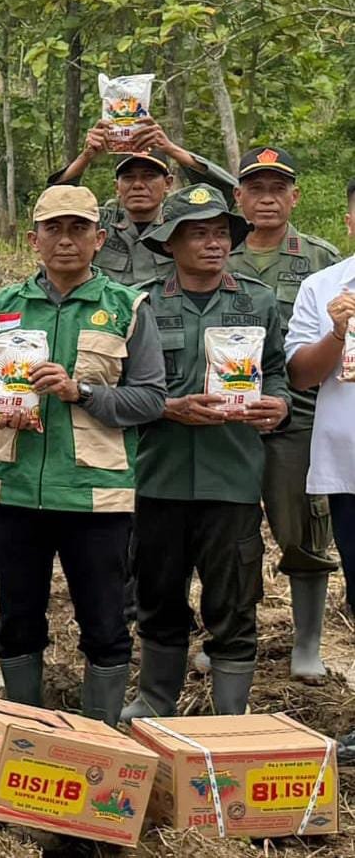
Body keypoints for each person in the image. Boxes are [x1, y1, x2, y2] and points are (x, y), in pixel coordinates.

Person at [0, 186, 166, 725]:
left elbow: (151, 399)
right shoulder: (3, 306)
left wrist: (81, 391)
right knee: (17, 619)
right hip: (13, 489)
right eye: (53, 229)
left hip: (94, 497)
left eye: (78, 228)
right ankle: (25, 734)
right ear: (33, 240)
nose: (65, 240)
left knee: (103, 625)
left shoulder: (127, 308)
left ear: (99, 239)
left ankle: (99, 741)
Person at [121, 185, 288, 720]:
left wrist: (279, 405)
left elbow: (280, 372)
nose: (213, 244)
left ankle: (229, 719)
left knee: (234, 601)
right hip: (158, 475)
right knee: (158, 594)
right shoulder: (140, 304)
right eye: (198, 233)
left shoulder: (257, 301)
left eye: (220, 233)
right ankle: (155, 701)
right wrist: (167, 407)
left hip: (232, 476)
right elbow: (121, 386)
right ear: (170, 242)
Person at [223, 146, 342, 682]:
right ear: (239, 197)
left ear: (295, 197)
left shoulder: (323, 261)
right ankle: (232, 636)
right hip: (228, 422)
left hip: (302, 418)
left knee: (303, 528)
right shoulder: (217, 253)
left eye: (278, 189)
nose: (267, 198)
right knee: (231, 533)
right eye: (256, 188)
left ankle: (308, 642)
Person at [286, 177, 355, 633]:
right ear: (350, 222)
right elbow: (300, 375)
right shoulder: (323, 287)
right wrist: (335, 332)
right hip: (350, 469)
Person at [48, 119, 236, 286]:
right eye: (129, 178)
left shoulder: (179, 223)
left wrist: (171, 149)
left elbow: (229, 193)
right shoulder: (100, 221)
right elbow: (54, 203)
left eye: (149, 177)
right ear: (117, 186)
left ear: (168, 183)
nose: (138, 185)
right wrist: (86, 156)